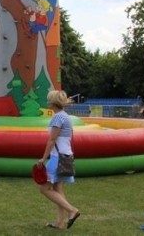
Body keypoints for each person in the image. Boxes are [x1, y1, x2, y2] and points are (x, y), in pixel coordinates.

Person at [36, 90, 80, 230]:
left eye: (48, 100)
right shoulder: (66, 117)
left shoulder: (57, 118)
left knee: (44, 188)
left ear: (52, 102)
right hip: (66, 156)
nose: (47, 102)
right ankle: (60, 223)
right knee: (58, 189)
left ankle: (72, 210)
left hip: (57, 158)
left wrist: (43, 158)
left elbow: (52, 139)